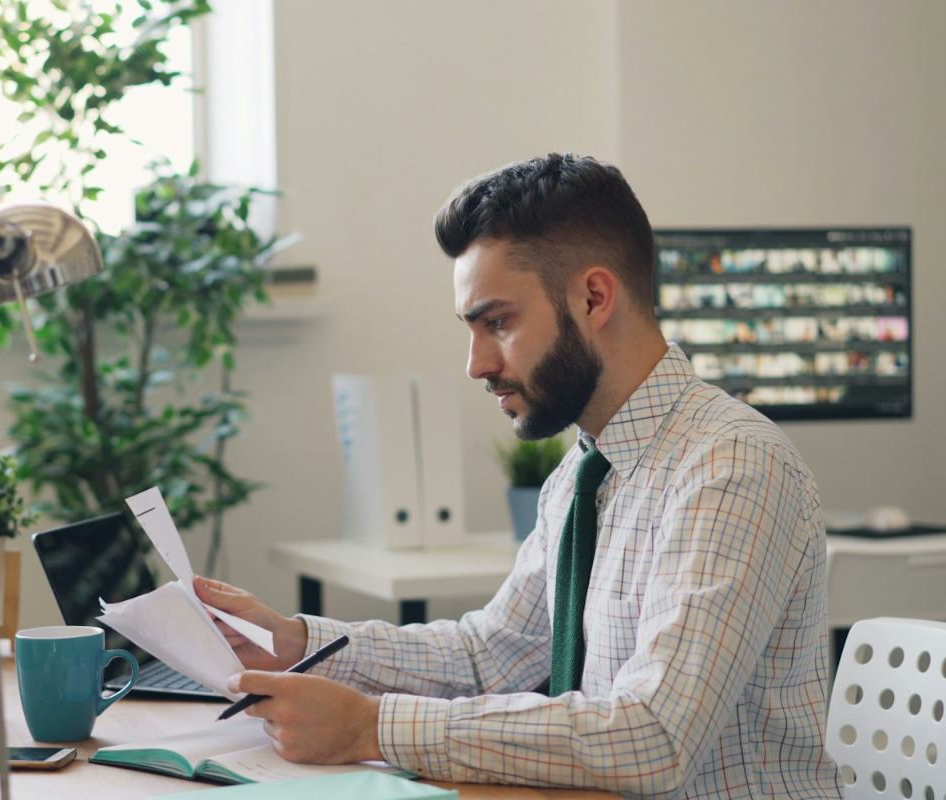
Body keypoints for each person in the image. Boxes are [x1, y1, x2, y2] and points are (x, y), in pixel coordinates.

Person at [194, 153, 842, 798]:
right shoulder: (585, 473)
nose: (476, 364)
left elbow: (655, 737)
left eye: (497, 322)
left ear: (594, 297)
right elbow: (491, 654)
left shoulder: (731, 467)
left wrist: (373, 728)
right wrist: (293, 640)